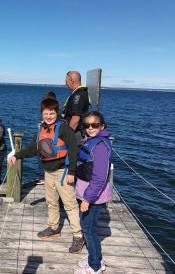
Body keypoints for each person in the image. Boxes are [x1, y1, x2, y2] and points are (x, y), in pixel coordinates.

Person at [8, 98, 85, 254]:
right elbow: (32, 148)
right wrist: (17, 155)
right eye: (46, 113)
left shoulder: (64, 128)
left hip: (63, 172)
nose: (49, 116)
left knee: (70, 204)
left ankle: (78, 235)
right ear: (41, 113)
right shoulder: (41, 128)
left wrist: (71, 172)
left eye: (52, 113)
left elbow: (73, 149)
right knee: (51, 202)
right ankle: (54, 227)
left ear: (57, 113)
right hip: (48, 172)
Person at [76, 111, 112, 274]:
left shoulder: (100, 147)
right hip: (86, 194)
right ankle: (94, 257)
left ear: (102, 126)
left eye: (94, 125)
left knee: (89, 229)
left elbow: (99, 178)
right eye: (86, 125)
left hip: (92, 197)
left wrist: (87, 199)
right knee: (88, 228)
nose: (90, 128)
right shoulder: (91, 141)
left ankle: (95, 266)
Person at [62, 70, 90, 143]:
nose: (65, 83)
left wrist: (66, 136)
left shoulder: (79, 95)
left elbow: (75, 119)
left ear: (72, 81)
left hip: (75, 134)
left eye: (66, 80)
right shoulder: (78, 93)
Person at [36, 91, 57, 185]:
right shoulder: (57, 110)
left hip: (48, 139)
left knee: (42, 155)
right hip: (51, 139)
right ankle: (45, 176)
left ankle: (43, 177)